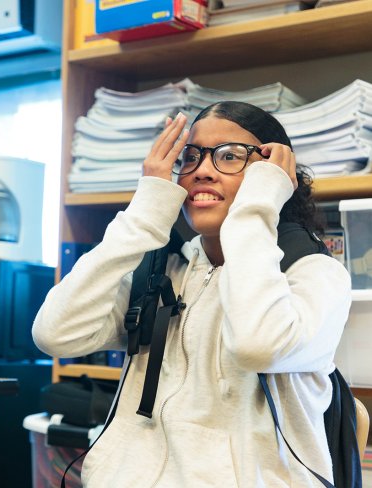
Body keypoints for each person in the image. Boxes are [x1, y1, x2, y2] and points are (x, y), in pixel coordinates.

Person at [32, 101, 352, 486]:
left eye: (230, 156)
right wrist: (144, 213)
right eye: (190, 157)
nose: (202, 171)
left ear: (273, 177)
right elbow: (55, 334)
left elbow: (258, 345)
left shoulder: (316, 274)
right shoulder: (162, 272)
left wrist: (258, 209)